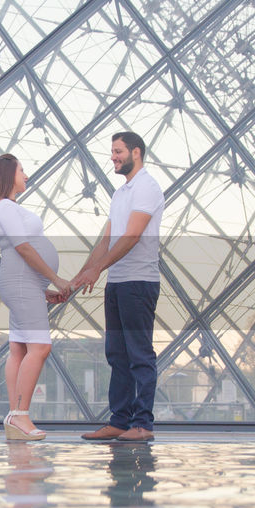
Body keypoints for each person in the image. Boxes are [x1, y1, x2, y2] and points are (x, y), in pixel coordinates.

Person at [70, 131, 164, 442]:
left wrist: (98, 268)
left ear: (136, 152)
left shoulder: (147, 188)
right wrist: (83, 274)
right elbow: (107, 239)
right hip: (117, 281)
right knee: (117, 354)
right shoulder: (120, 194)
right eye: (112, 151)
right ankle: (120, 421)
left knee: (139, 354)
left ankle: (143, 424)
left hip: (139, 281)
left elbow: (132, 236)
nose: (113, 156)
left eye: (118, 151)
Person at [0, 154, 73, 440]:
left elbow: (20, 253)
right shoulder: (6, 208)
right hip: (21, 282)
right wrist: (56, 279)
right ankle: (20, 415)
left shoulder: (4, 208)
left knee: (20, 350)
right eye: (22, 170)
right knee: (40, 347)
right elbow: (23, 248)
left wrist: (41, 290)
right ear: (8, 173)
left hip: (23, 283)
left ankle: (16, 416)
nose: (26, 174)